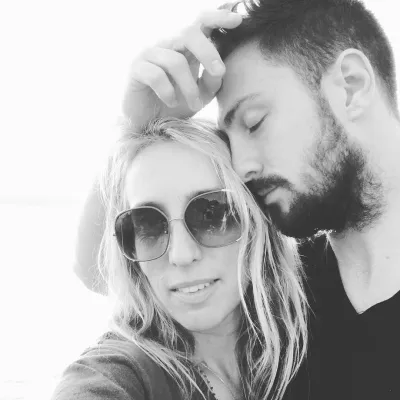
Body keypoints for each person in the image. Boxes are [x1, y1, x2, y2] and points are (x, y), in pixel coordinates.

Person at [119, 2, 400, 399]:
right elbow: (102, 271)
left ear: (351, 86)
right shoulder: (278, 298)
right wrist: (139, 126)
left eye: (254, 123)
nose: (241, 165)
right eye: (229, 138)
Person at [53, 117, 308, 400]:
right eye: (148, 224)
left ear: (257, 222)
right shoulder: (119, 372)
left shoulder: (311, 327)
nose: (181, 255)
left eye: (212, 214)